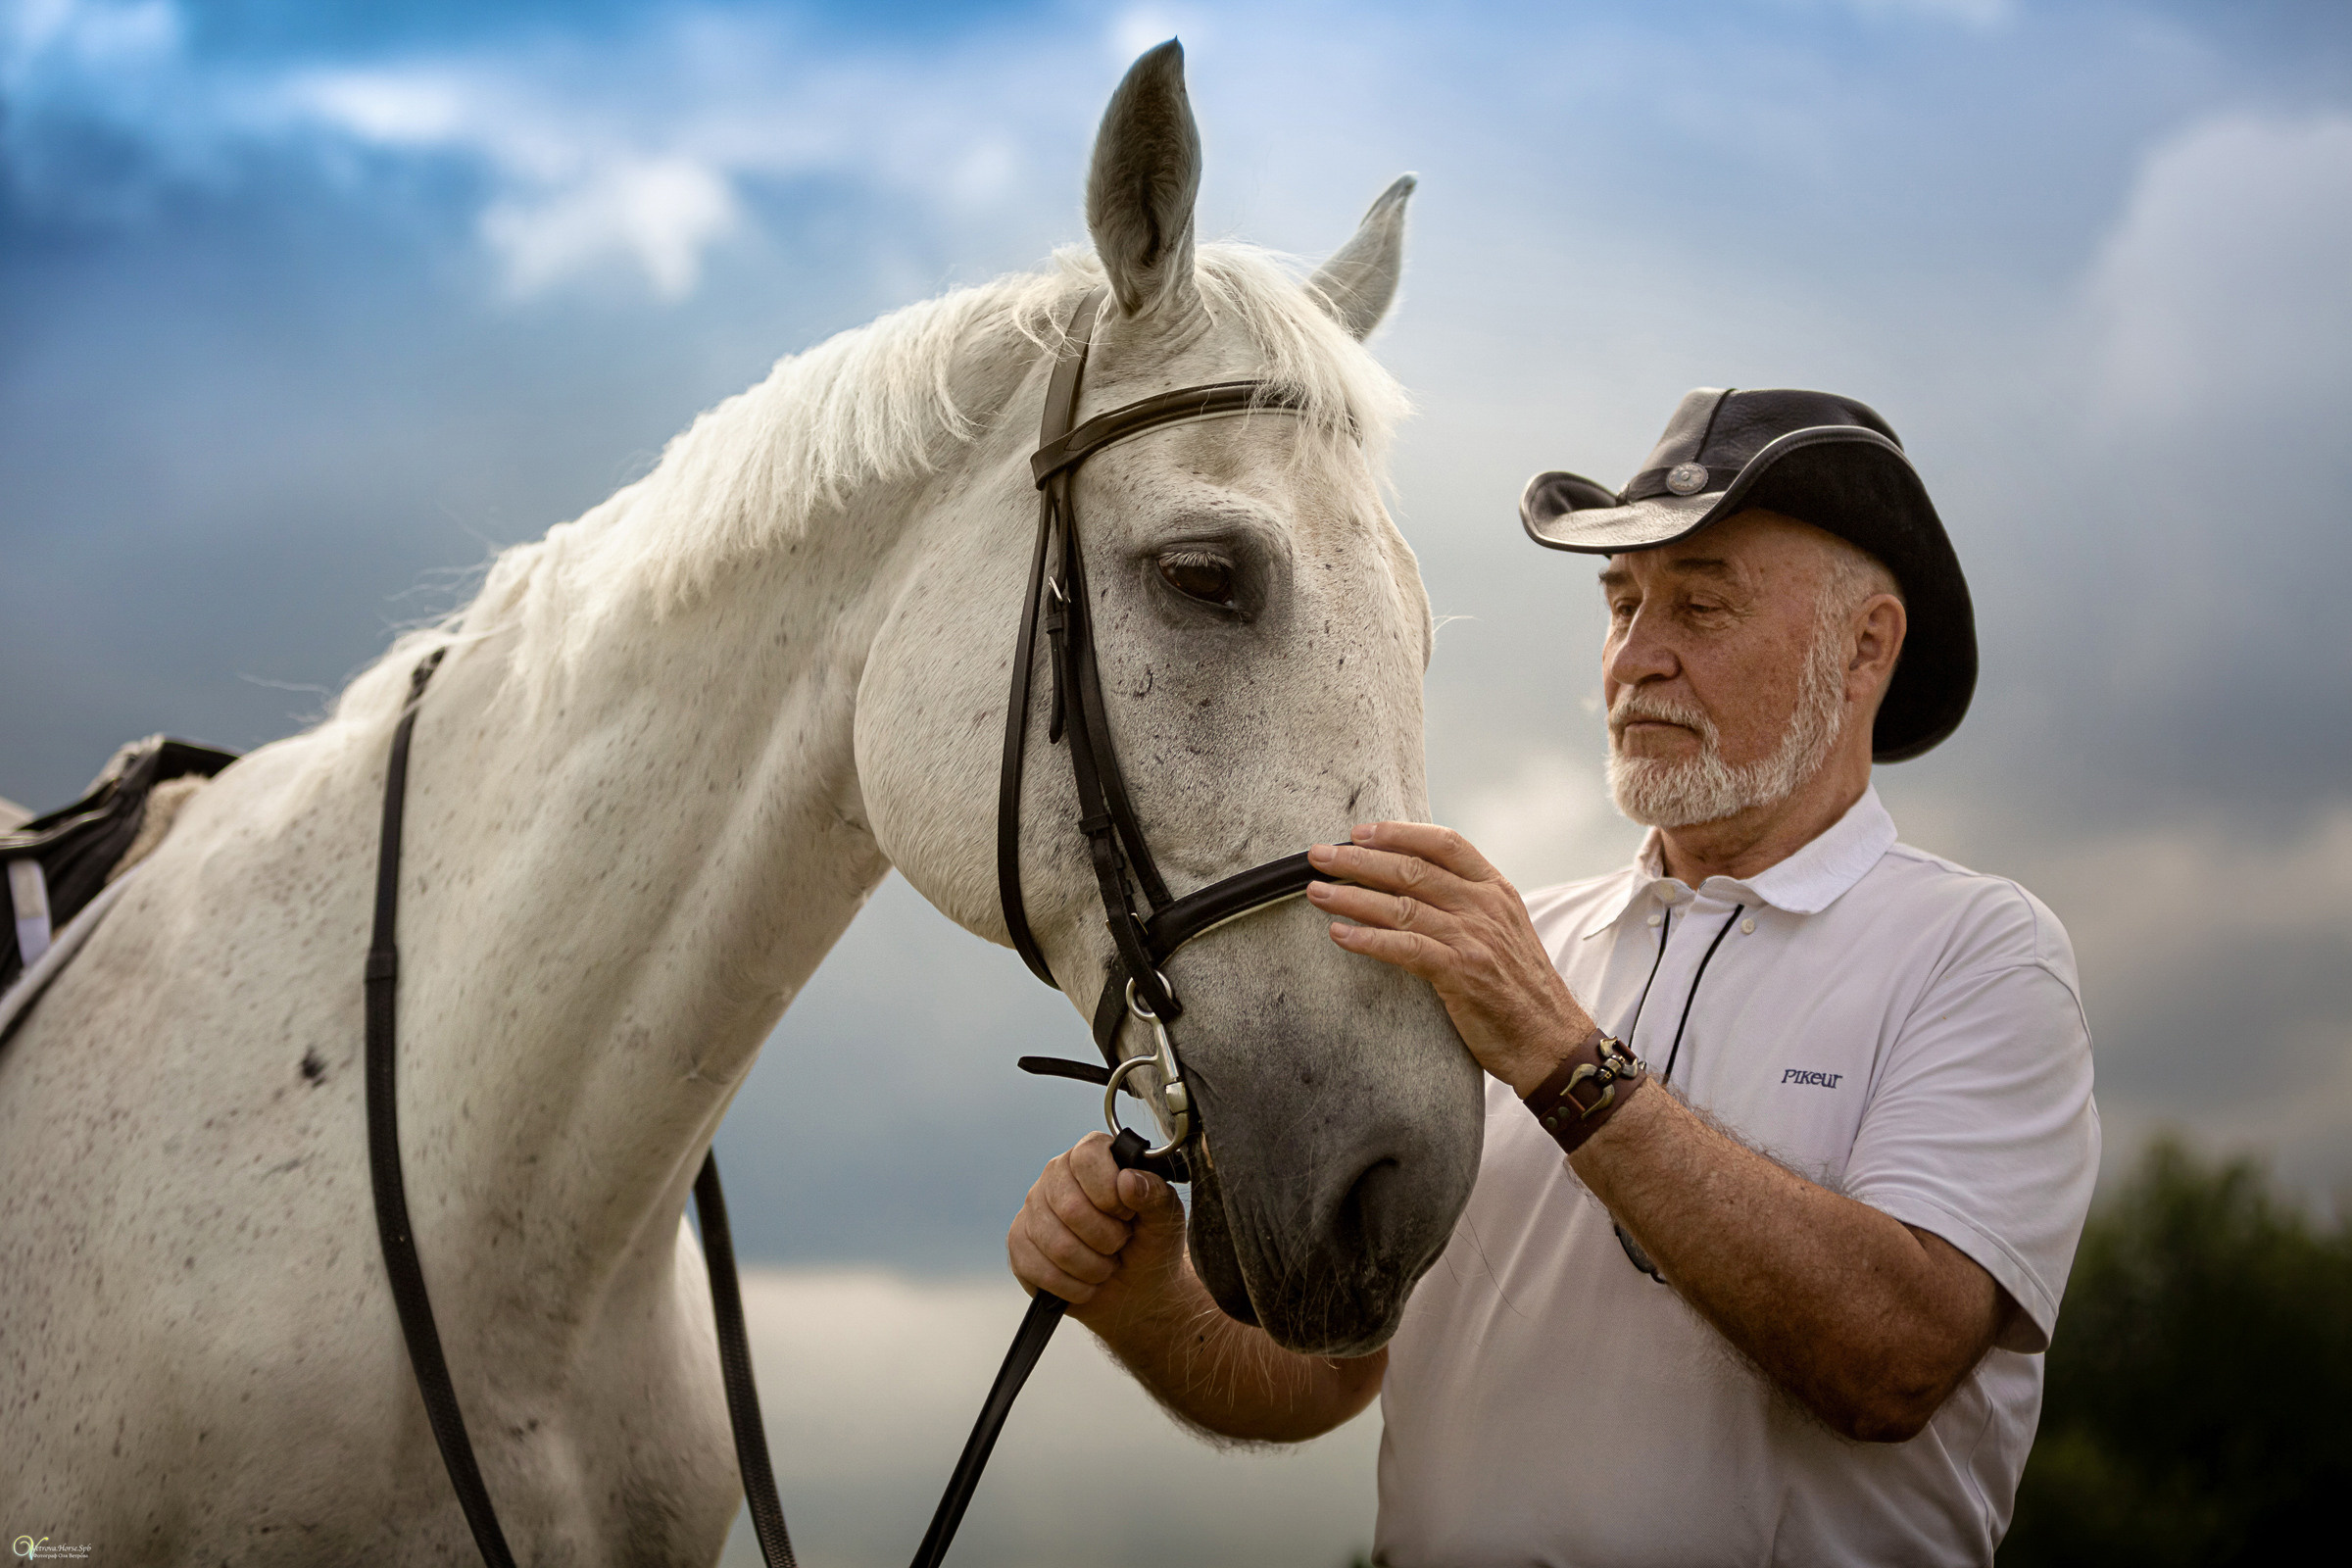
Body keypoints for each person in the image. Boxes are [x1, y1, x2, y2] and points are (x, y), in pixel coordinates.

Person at [1005, 387, 2099, 1566]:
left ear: (1866, 644)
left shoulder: (1983, 952)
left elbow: (1892, 1360)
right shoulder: (1521, 948)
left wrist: (1559, 1056)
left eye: (1702, 603)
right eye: (1621, 603)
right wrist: (1139, 1296)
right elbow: (1325, 1372)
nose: (1636, 658)